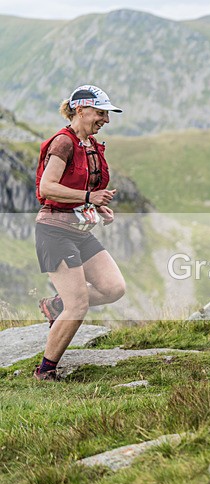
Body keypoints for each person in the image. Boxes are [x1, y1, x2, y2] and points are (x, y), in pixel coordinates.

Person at [33, 85, 126, 380]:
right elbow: (47, 187)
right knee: (78, 305)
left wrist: (97, 208)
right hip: (55, 232)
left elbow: (82, 189)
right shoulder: (63, 143)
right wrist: (89, 198)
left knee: (114, 288)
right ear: (81, 109)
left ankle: (55, 305)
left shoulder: (92, 146)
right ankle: (45, 372)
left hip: (81, 231)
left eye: (106, 114)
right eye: (100, 113)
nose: (105, 120)